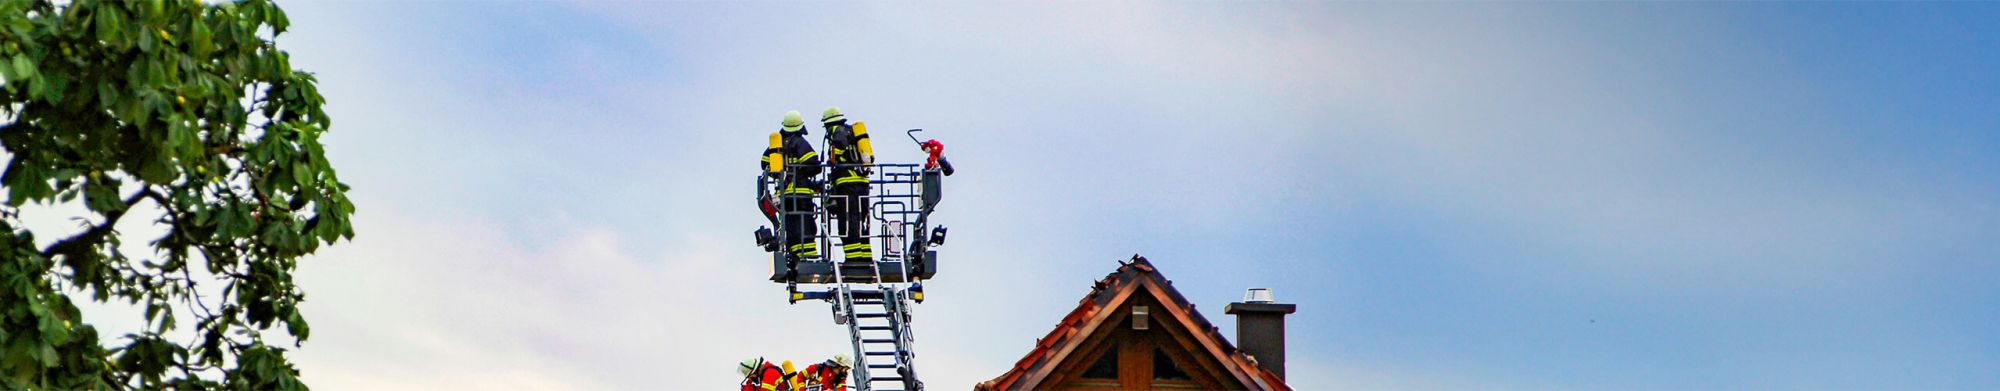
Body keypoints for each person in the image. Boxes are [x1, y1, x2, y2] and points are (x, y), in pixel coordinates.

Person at [763, 110, 823, 267]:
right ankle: (809, 257)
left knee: (791, 225)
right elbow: (815, 165)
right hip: (801, 192)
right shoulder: (800, 142)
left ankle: (795, 255)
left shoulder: (776, 144)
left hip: (784, 194)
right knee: (806, 225)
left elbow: (764, 163)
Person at [820, 107, 874, 265]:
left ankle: (853, 258)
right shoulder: (853, 132)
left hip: (848, 184)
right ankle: (865, 255)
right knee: (861, 219)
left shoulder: (837, 132)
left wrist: (832, 160)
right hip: (862, 182)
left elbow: (840, 149)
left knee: (848, 221)